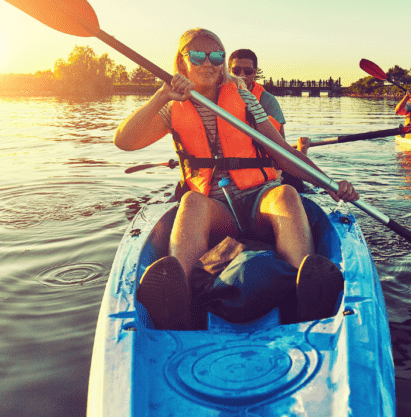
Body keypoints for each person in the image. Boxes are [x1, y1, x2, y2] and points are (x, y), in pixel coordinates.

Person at [114, 28, 358, 330]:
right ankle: (182, 299)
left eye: (216, 55)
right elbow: (124, 141)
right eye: (198, 55)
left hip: (259, 200)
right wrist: (161, 95)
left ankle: (303, 289)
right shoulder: (171, 106)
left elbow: (283, 152)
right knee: (190, 201)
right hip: (217, 211)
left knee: (286, 196)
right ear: (181, 62)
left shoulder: (243, 97)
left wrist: (329, 184)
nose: (208, 63)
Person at [230, 47, 312, 160]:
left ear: (254, 73)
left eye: (248, 71)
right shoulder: (216, 96)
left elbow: (282, 146)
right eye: (236, 71)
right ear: (228, 71)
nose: (241, 75)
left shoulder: (268, 101)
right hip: (228, 164)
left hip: (261, 163)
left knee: (294, 174)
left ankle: (302, 149)